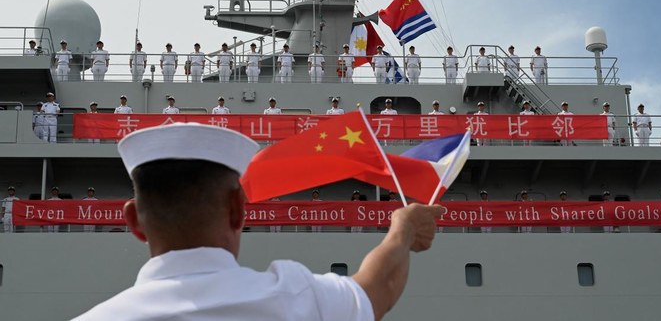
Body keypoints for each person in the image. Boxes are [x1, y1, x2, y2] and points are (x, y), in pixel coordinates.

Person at [73, 123, 443, 321]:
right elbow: (379, 287)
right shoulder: (297, 299)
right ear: (239, 208)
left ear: (134, 221)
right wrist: (403, 228)